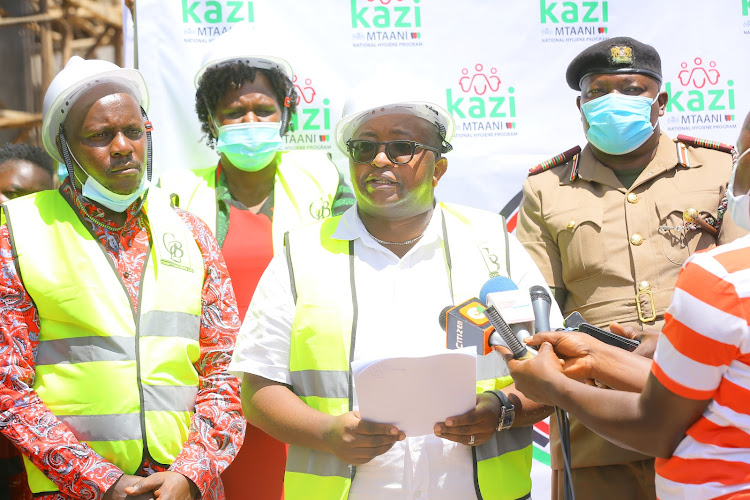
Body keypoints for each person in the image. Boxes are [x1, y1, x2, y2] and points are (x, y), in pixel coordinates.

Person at [229, 77, 565, 500]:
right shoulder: (302, 253)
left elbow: (555, 364)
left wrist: (502, 411)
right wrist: (327, 432)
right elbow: (257, 390)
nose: (380, 160)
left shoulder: (491, 242)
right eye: (364, 148)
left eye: (401, 147)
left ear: (439, 167)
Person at [0, 56, 245, 500]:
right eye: (99, 135)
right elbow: (7, 388)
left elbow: (226, 372)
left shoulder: (191, 233)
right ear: (65, 147)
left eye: (133, 132)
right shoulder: (14, 234)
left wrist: (190, 473)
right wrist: (103, 483)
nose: (122, 146)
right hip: (71, 491)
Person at [516, 36, 747, 499]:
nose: (613, 102)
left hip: (707, 412)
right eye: (597, 92)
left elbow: (741, 283)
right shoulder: (546, 188)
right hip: (595, 423)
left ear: (660, 102)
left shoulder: (718, 169)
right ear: (580, 107)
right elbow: (537, 309)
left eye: (632, 89)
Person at [157, 27, 354, 500]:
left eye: (263, 110)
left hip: (302, 402)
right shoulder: (172, 191)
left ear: (285, 112)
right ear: (210, 119)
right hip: (209, 410)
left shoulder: (325, 180)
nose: (250, 120)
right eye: (234, 112)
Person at [0, 142, 57, 500]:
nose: (20, 209)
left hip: (27, 447)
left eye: (37, 199)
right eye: (11, 194)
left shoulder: (51, 266)